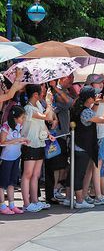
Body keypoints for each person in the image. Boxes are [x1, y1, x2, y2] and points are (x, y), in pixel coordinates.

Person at [69, 86, 104, 209]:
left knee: (81, 173)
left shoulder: (82, 108)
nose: (96, 97)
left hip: (81, 145)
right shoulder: (85, 111)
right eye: (94, 96)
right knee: (79, 174)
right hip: (82, 147)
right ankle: (80, 201)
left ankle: (80, 198)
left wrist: (96, 103)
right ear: (88, 98)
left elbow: (91, 112)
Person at [21, 84, 57, 212]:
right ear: (35, 94)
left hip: (40, 143)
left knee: (36, 174)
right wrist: (48, 103)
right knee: (27, 174)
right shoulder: (28, 109)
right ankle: (26, 203)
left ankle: (35, 201)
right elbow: (47, 117)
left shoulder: (39, 105)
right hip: (29, 144)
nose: (42, 94)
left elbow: (45, 122)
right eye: (41, 92)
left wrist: (48, 134)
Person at [0, 106, 29, 215]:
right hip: (6, 158)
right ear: (15, 117)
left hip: (16, 157)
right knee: (2, 183)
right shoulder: (6, 126)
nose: (23, 120)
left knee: (12, 182)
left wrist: (23, 141)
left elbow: (16, 141)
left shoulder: (18, 127)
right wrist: (17, 140)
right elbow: (2, 142)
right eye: (22, 117)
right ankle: (3, 205)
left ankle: (12, 205)